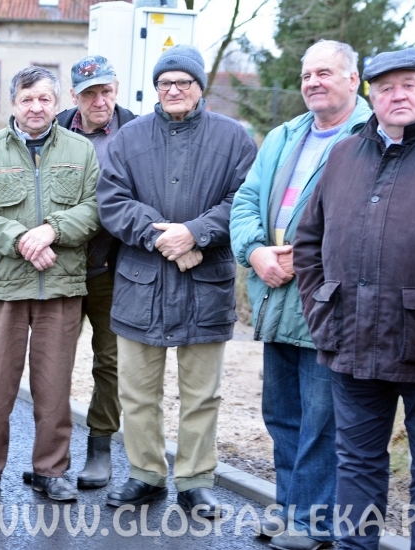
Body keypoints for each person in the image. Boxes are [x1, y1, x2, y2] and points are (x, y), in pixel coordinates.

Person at [294, 48, 415, 550]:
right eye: (386, 88)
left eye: (409, 84)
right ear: (371, 95)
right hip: (353, 341)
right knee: (356, 463)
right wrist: (321, 309)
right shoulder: (344, 155)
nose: (397, 95)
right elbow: (308, 242)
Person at [96, 45, 256, 515]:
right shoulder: (129, 138)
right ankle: (145, 474)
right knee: (137, 392)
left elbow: (244, 200)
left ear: (200, 87)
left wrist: (196, 232)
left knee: (202, 394)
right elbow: (112, 201)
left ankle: (195, 479)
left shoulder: (234, 138)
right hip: (141, 283)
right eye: (165, 83)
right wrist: (160, 235)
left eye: (183, 82)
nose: (173, 90)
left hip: (205, 284)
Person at [230, 40, 370, 550]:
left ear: (353, 80)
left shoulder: (369, 136)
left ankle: (314, 521)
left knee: (322, 420)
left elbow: (370, 220)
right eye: (307, 74)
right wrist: (254, 251)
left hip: (328, 303)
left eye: (325, 73)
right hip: (275, 296)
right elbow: (246, 199)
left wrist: (307, 259)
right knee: (282, 415)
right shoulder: (285, 135)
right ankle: (290, 509)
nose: (313, 82)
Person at [0, 66, 100, 504]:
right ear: (13, 104)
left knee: (54, 388)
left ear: (57, 103)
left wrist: (52, 230)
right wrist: (23, 239)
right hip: (2, 288)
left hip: (60, 287)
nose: (35, 107)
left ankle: (50, 471)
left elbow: (94, 208)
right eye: (27, 99)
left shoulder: (81, 150)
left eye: (44, 99)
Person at [54, 55, 136, 489]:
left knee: (110, 361)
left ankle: (100, 447)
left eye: (106, 91)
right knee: (53, 362)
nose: (99, 100)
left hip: (114, 268)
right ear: (74, 96)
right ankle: (52, 455)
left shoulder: (136, 131)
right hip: (60, 267)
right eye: (89, 93)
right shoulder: (54, 131)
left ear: (116, 89)